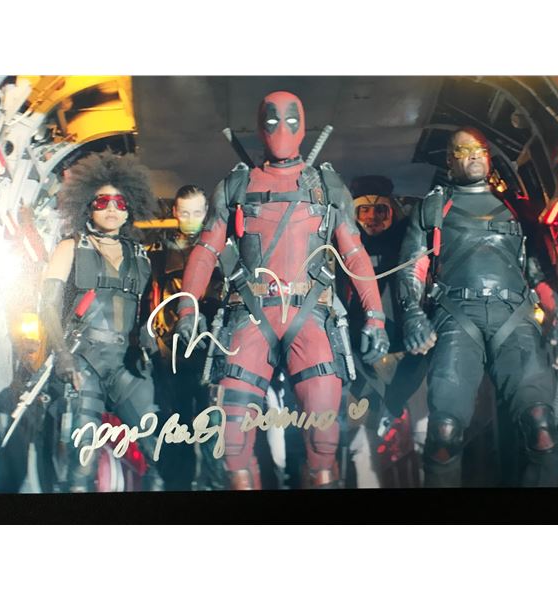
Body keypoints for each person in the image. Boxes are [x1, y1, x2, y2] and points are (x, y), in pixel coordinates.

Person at [175, 90, 389, 489]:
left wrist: (375, 316)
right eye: (271, 121)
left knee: (323, 449)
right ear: (260, 127)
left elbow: (355, 254)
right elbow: (205, 251)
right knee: (233, 446)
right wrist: (187, 310)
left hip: (310, 317)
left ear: (303, 125)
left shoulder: (326, 185)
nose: (281, 129)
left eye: (290, 120)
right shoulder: (236, 185)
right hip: (251, 317)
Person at [396, 127, 558, 487]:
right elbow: (412, 268)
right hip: (456, 316)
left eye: (479, 149)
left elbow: (534, 270)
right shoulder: (433, 208)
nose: (474, 155)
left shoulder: (515, 208)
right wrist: (412, 313)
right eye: (464, 151)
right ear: (450, 162)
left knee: (541, 427)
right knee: (444, 434)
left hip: (515, 314)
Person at [40, 150, 163, 492]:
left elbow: (144, 313)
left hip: (125, 365)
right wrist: (63, 355)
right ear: (88, 206)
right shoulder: (70, 247)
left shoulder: (139, 256)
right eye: (103, 201)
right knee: (81, 463)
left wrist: (148, 345)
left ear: (130, 208)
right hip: (84, 362)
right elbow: (47, 306)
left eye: (120, 202)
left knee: (158, 450)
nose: (112, 208)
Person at [340, 176, 425, 488]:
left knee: (417, 431)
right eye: (364, 211)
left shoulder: (407, 238)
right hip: (360, 350)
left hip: (406, 347)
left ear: (393, 211)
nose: (372, 218)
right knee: (366, 436)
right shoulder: (342, 244)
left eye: (380, 211)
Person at [147, 184, 224, 490]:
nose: (191, 219)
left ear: (206, 213)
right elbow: (149, 299)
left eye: (197, 212)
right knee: (176, 425)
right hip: (171, 354)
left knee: (213, 427)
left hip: (212, 353)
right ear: (175, 212)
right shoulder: (159, 252)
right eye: (185, 212)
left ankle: (214, 485)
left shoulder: (223, 251)